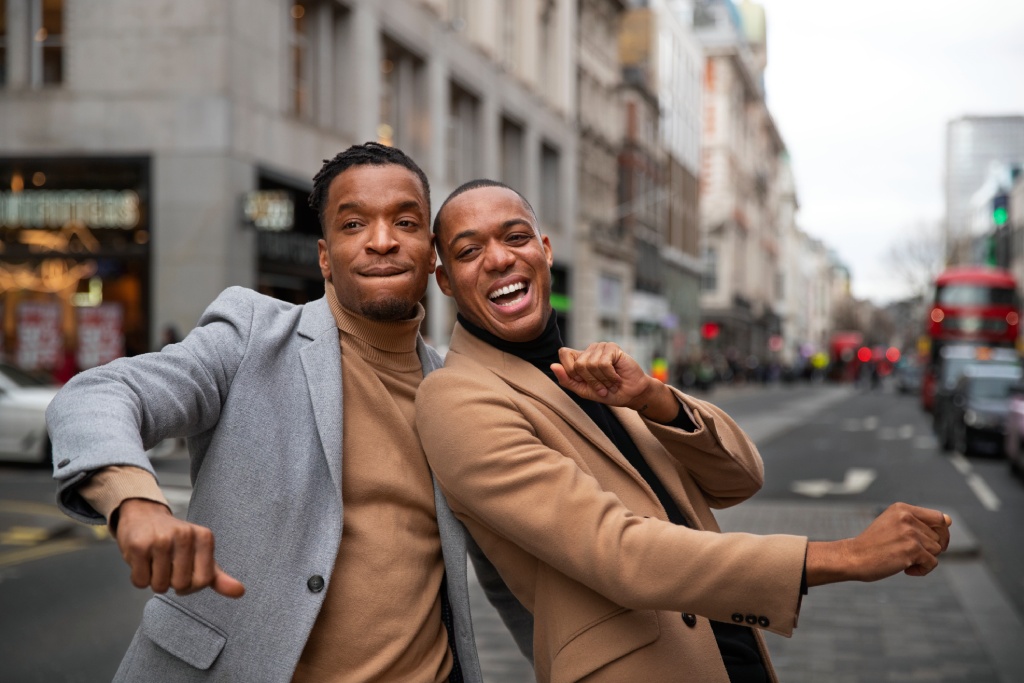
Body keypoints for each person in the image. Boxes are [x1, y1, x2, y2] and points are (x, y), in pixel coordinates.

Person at [415, 179, 952, 683]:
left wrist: (653, 398)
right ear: (444, 280)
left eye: (515, 237)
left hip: (728, 656)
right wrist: (846, 556)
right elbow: (617, 551)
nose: (501, 258)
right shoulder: (457, 397)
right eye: (468, 251)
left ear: (546, 249)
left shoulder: (589, 372)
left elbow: (740, 479)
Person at [45, 144, 527, 683]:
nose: (383, 240)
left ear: (431, 251)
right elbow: (99, 393)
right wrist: (135, 502)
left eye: (406, 222)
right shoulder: (252, 336)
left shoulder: (456, 394)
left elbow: (515, 571)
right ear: (325, 255)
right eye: (353, 224)